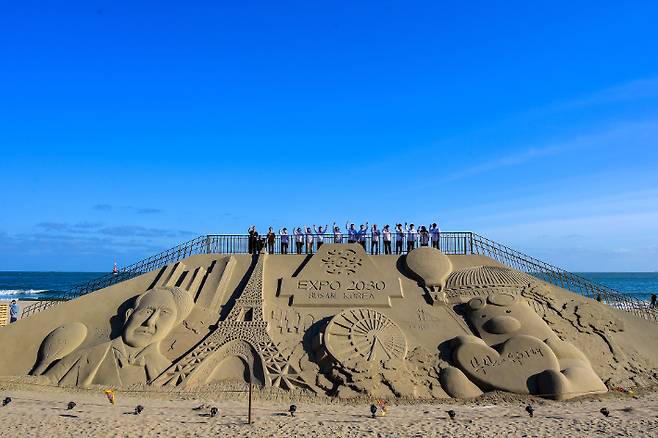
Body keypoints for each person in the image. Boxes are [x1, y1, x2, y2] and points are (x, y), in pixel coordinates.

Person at [40, 286, 193, 387]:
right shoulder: (83, 357)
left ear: (172, 326)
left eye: (164, 314)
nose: (150, 322)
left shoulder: (169, 372)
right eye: (147, 311)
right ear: (128, 315)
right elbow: (44, 383)